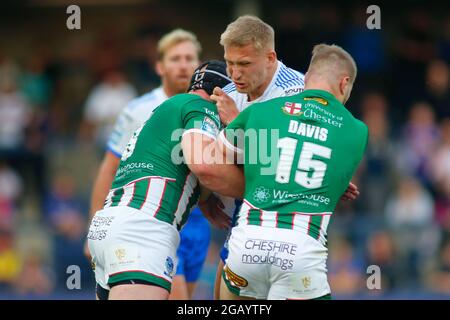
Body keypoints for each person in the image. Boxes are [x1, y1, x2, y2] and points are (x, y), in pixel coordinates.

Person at [209, 15, 359, 299]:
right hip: (248, 212)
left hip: (289, 219)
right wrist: (205, 198)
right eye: (229, 63)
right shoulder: (228, 93)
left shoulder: (300, 92)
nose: (234, 73)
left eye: (244, 64)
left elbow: (284, 160)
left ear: (270, 57)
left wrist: (237, 122)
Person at [87, 60, 243, 300]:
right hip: (143, 230)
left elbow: (176, 163)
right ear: (220, 93)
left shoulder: (169, 108)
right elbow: (203, 165)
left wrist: (204, 197)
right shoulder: (201, 106)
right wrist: (257, 188)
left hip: (111, 226)